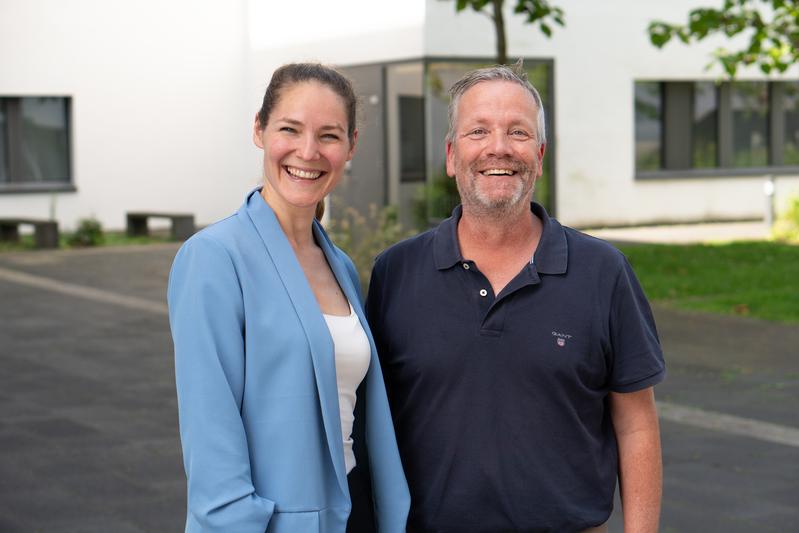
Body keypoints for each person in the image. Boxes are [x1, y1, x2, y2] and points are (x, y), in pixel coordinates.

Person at [366, 62, 665, 533]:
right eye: (478, 131)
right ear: (451, 155)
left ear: (540, 155)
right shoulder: (395, 273)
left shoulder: (603, 272)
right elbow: (373, 423)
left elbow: (635, 424)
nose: (498, 148)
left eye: (518, 132)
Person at [168, 63, 410, 533]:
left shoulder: (338, 263)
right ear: (259, 130)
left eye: (329, 136)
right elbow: (211, 440)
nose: (308, 152)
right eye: (290, 129)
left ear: (351, 146)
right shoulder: (214, 259)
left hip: (353, 509)